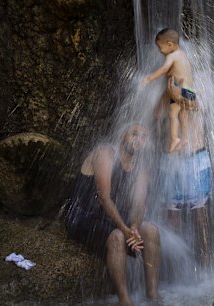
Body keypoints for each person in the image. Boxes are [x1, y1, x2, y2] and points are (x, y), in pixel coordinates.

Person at [64, 123, 160, 306]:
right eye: (134, 134)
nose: (138, 140)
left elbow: (139, 204)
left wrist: (134, 227)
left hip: (110, 218)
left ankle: (153, 296)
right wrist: (125, 230)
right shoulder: (106, 153)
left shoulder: (140, 166)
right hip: (83, 214)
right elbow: (104, 197)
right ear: (123, 134)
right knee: (117, 237)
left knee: (151, 231)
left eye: (143, 137)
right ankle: (125, 300)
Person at [159, 76, 212, 268]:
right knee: (172, 218)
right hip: (171, 162)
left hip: (195, 160)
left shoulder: (194, 89)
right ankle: (176, 271)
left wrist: (180, 92)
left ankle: (205, 268)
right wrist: (167, 94)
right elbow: (156, 115)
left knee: (200, 216)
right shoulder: (161, 93)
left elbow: (199, 104)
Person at [142, 28, 194, 152]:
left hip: (178, 89)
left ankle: (175, 139)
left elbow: (164, 69)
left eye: (160, 48)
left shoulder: (172, 56)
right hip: (189, 90)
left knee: (172, 114)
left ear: (170, 44)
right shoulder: (183, 56)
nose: (160, 51)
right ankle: (185, 138)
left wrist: (149, 78)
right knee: (183, 115)